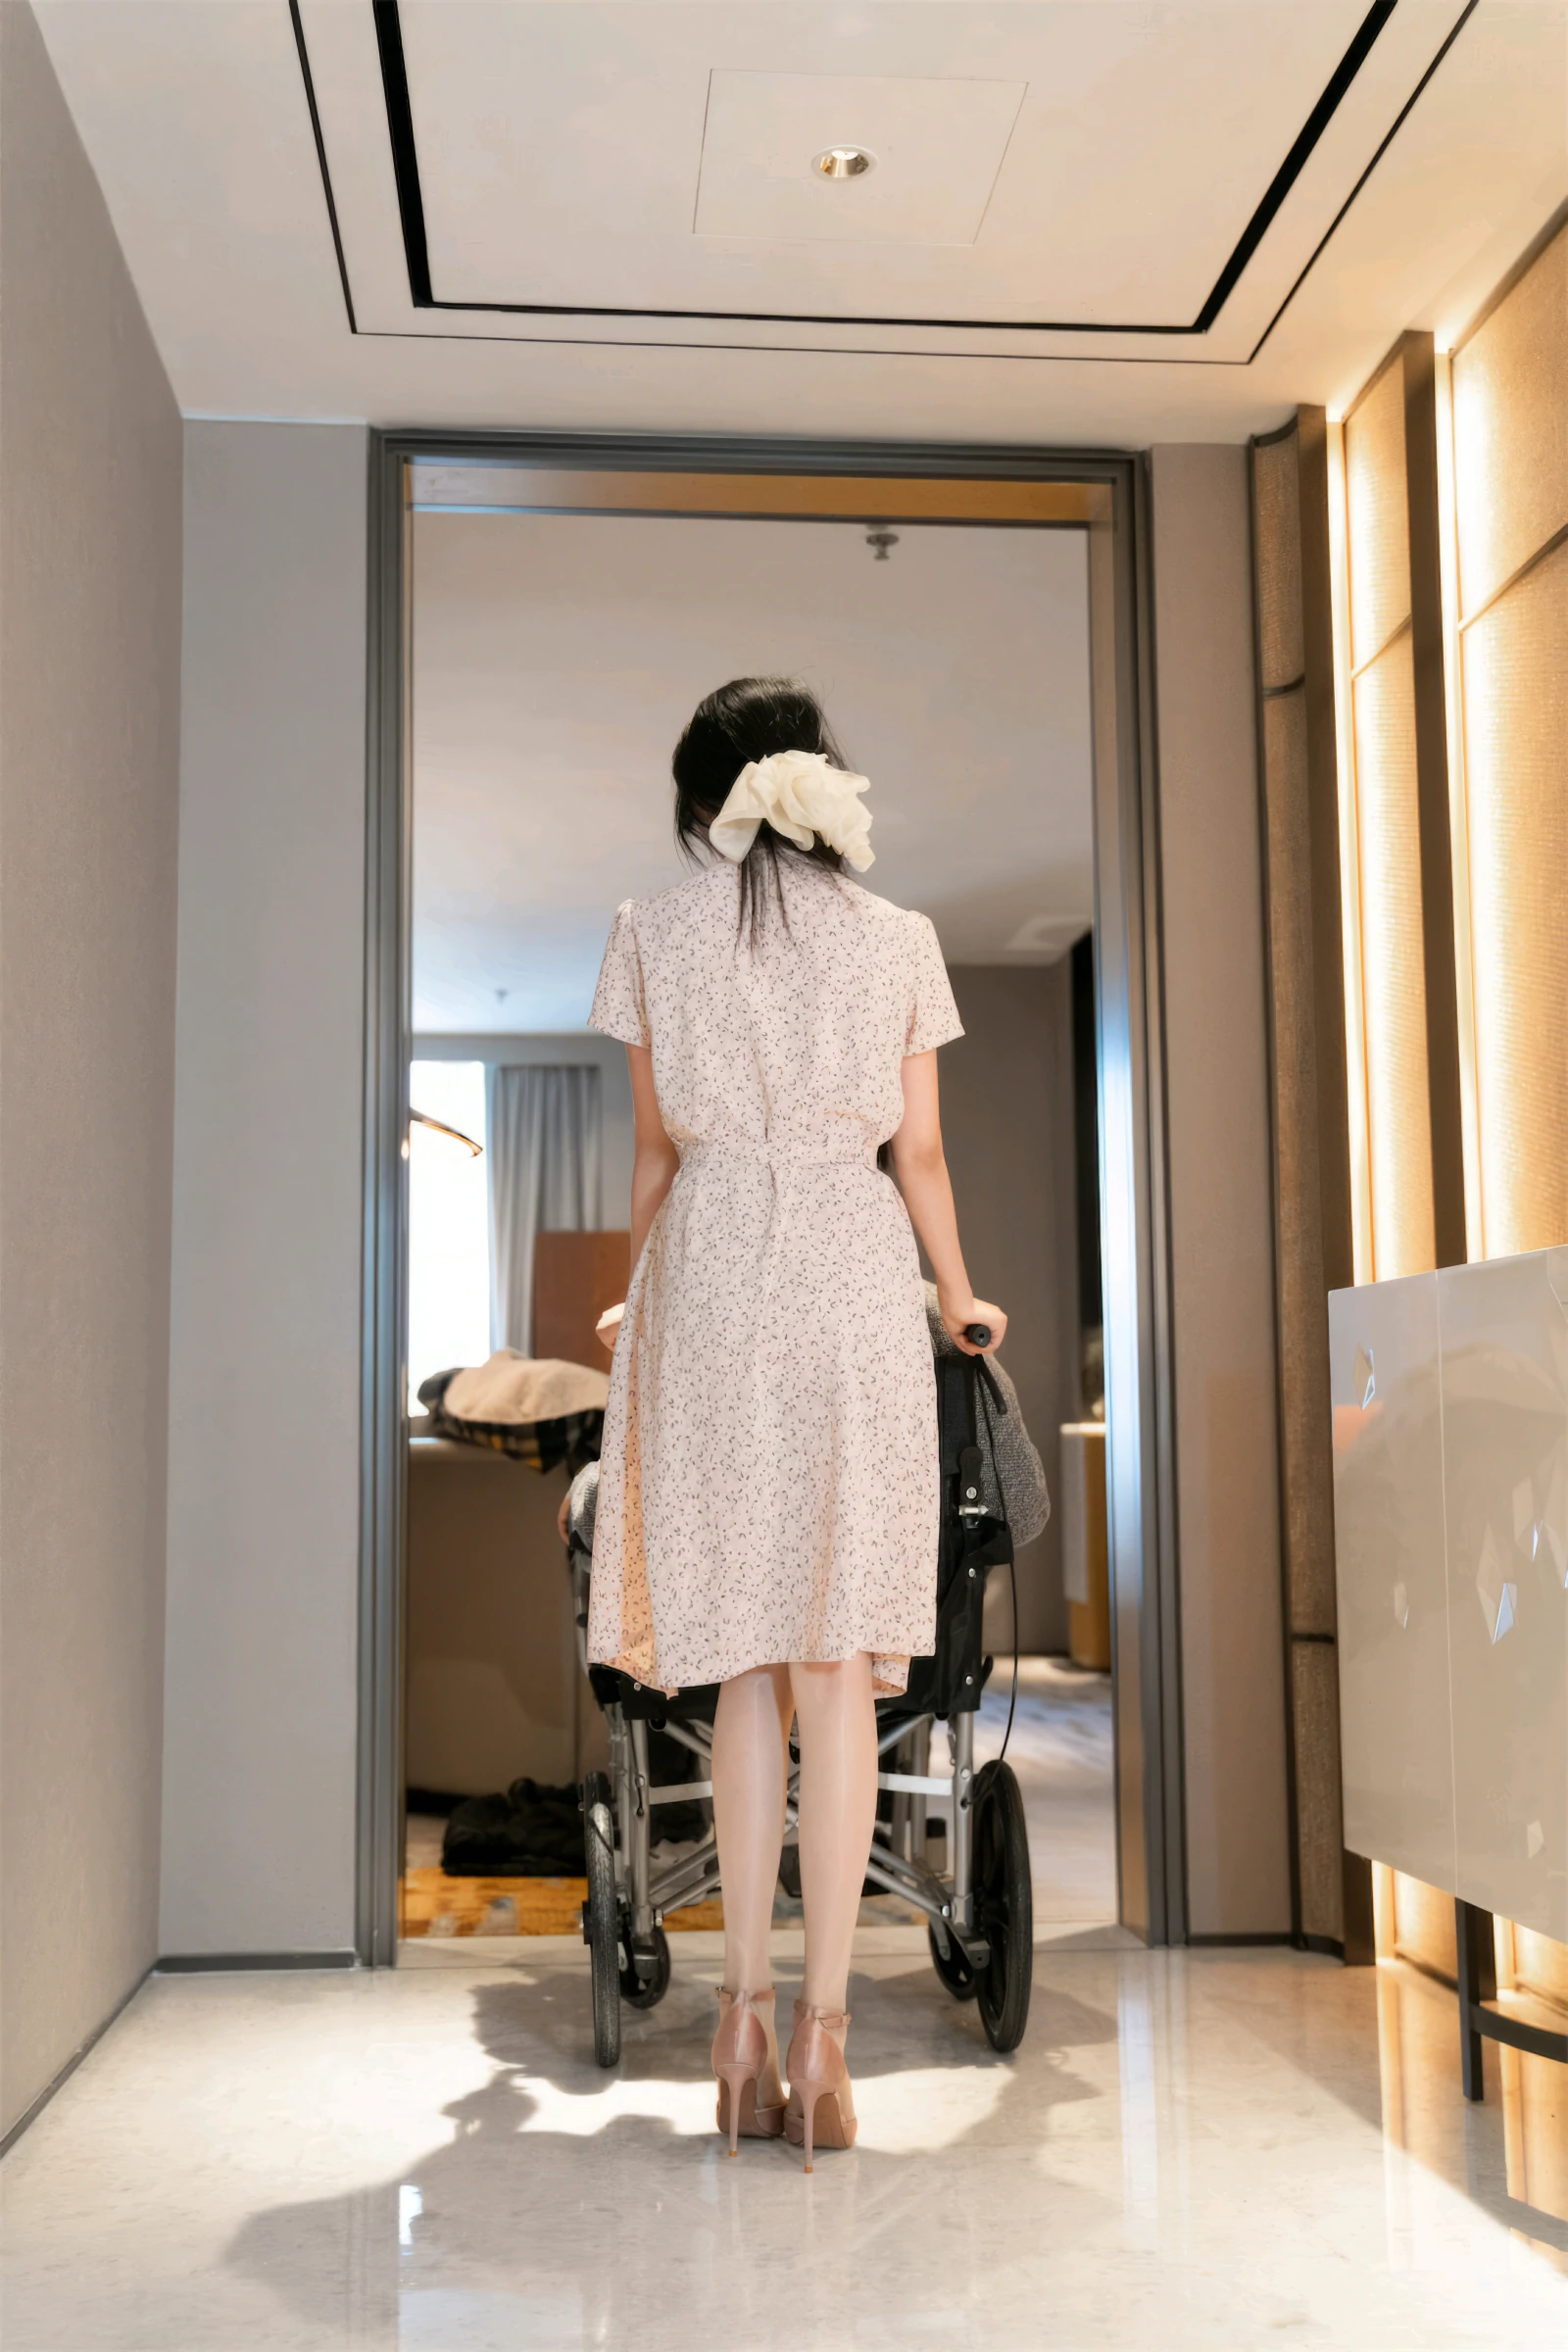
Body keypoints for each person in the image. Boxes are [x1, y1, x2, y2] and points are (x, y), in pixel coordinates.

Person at [584, 677, 1005, 2170]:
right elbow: (922, 1155)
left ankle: (742, 2024)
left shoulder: (650, 929)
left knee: (743, 1666)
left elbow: (655, 1157)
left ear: (703, 799)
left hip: (709, 1278)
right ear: (825, 782)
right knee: (841, 1667)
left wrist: (638, 1297)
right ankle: (828, 2039)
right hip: (850, 1280)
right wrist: (959, 1294)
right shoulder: (900, 938)